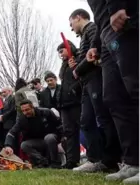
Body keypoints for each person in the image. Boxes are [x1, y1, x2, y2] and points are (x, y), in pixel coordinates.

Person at [86, 1, 139, 183]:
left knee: (136, 87)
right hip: (105, 32)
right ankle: (133, 161)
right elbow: (98, 13)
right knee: (113, 97)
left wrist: (118, 5)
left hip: (122, 17)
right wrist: (95, 43)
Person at [69, 8, 121, 173]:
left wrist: (77, 70)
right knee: (86, 120)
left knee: (103, 118)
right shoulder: (85, 35)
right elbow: (85, 55)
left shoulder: (92, 29)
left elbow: (93, 55)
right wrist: (76, 63)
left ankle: (111, 158)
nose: (71, 27)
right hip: (87, 82)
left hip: (95, 79)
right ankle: (95, 158)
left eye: (71, 23)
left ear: (78, 18)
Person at [3, 100, 63, 168]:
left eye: (27, 110)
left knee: (49, 138)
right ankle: (42, 161)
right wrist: (8, 145)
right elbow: (12, 132)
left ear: (33, 107)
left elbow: (59, 125)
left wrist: (62, 138)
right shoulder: (22, 119)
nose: (25, 112)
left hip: (51, 138)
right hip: (38, 141)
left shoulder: (46, 112)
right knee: (24, 145)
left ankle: (55, 163)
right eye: (23, 111)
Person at [57, 41, 82, 169]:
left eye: (62, 51)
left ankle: (96, 156)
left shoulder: (77, 59)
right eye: (59, 52)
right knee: (69, 132)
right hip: (64, 103)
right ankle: (72, 160)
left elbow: (81, 77)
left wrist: (75, 68)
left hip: (76, 101)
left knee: (83, 128)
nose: (60, 54)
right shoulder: (64, 65)